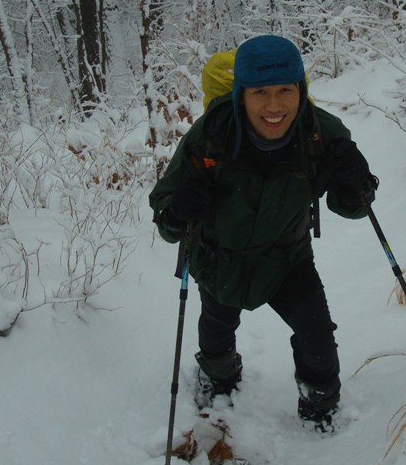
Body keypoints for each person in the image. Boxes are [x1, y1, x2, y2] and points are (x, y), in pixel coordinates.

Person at [149, 35, 376, 432]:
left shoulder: (320, 133)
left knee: (318, 337)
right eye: (260, 93)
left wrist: (358, 186)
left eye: (285, 90)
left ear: (301, 90)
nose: (274, 106)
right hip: (220, 261)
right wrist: (177, 212)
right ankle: (219, 381)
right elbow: (166, 218)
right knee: (216, 335)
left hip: (286, 258)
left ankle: (319, 407)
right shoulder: (209, 137)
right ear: (241, 95)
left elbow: (353, 208)